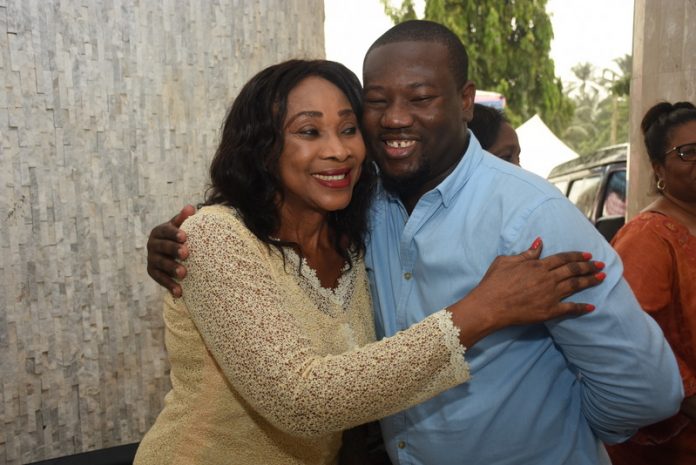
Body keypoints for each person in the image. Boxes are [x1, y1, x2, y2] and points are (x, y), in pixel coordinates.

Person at [146, 21, 683, 465]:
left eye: (347, 128)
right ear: (262, 144)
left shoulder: (528, 216)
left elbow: (645, 389)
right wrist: (480, 311)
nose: (394, 119)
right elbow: (304, 397)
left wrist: (553, 435)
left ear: (466, 101)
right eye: (311, 131)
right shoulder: (356, 218)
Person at [606, 101, 696, 465]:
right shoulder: (647, 238)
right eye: (688, 152)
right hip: (670, 442)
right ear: (658, 168)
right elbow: (635, 339)